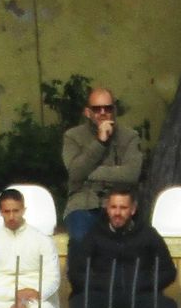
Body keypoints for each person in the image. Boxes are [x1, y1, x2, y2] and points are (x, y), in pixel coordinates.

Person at [68, 187, 177, 308]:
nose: (117, 213)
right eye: (113, 207)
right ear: (107, 208)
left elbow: (168, 271)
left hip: (139, 297)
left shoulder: (148, 235)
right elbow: (75, 274)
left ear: (133, 209)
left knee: (168, 307)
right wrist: (102, 284)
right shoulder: (94, 235)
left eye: (123, 208)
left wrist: (143, 284)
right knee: (78, 303)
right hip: (104, 298)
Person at [61, 86, 145, 245]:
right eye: (97, 108)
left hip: (120, 203)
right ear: (87, 112)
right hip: (83, 203)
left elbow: (131, 174)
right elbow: (75, 173)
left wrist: (90, 174)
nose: (102, 112)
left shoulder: (130, 137)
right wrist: (100, 142)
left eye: (107, 108)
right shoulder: (72, 136)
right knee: (81, 241)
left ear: (114, 110)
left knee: (132, 244)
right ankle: (81, 271)